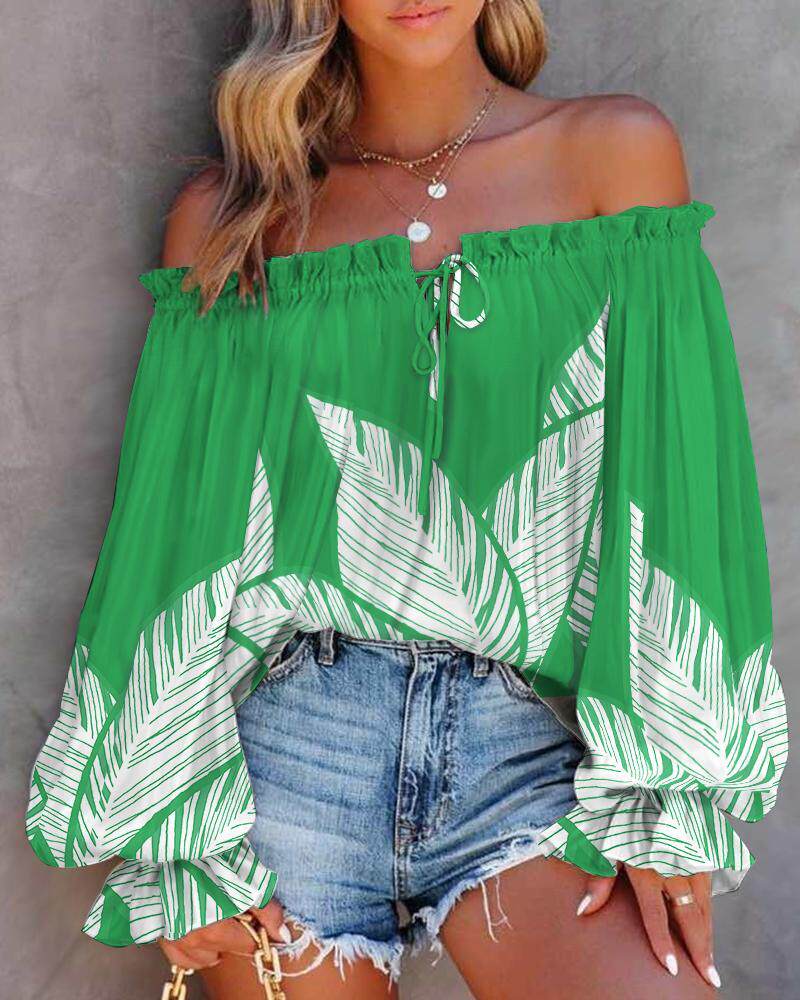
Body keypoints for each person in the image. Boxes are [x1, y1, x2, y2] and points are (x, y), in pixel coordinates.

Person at [26, 3, 787, 998]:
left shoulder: (612, 155)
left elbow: (675, 494)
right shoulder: (231, 218)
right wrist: (176, 833)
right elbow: (175, 542)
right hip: (289, 756)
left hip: (523, 743)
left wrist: (664, 791)